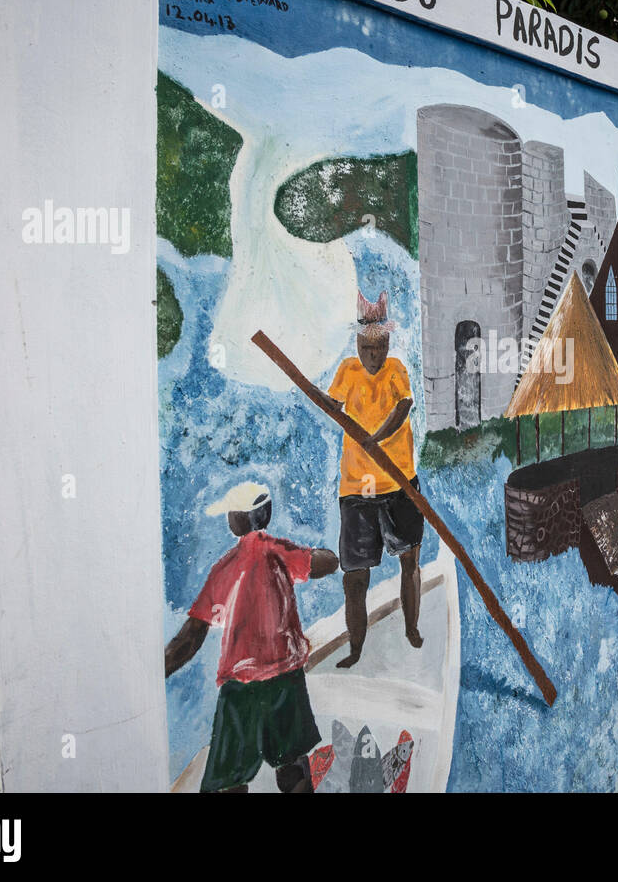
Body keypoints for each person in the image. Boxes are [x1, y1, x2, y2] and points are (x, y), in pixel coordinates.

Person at [164, 482, 339, 792]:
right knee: (293, 767)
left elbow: (191, 637)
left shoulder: (226, 569)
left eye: (230, 514)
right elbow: (326, 562)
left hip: (241, 689)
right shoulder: (279, 552)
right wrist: (316, 554)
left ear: (238, 520)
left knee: (230, 779)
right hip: (286, 678)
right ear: (266, 515)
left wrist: (158, 670)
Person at [325, 290, 425, 668]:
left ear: (387, 344)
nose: (374, 357)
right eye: (368, 349)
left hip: (399, 484)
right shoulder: (347, 371)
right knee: (355, 577)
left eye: (379, 348)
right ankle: (355, 648)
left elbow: (403, 407)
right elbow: (332, 404)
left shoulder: (396, 369)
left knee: (409, 560)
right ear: (358, 344)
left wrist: (375, 438)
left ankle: (412, 628)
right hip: (355, 491)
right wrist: (326, 403)